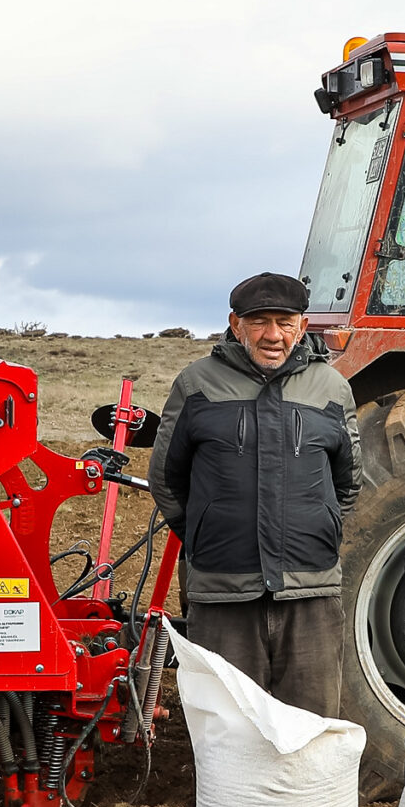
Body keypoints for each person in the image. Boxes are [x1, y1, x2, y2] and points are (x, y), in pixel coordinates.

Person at [148, 273, 360, 717]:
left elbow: (347, 482)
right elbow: (167, 480)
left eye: (284, 321)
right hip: (223, 596)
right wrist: (208, 534)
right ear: (235, 323)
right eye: (259, 321)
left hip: (310, 595)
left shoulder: (331, 388)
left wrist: (316, 527)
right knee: (229, 732)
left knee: (311, 731)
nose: (272, 335)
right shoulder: (196, 384)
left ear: (302, 326)